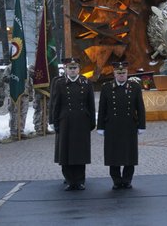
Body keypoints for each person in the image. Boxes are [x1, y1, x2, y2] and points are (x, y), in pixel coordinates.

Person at [97, 61, 146, 190]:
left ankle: (127, 179)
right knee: (113, 154)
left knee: (129, 154)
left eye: (123, 73)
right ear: (114, 73)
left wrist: (141, 125)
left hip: (129, 125)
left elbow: (140, 108)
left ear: (127, 73)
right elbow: (102, 108)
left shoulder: (134, 87)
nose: (121, 75)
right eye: (118, 73)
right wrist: (100, 126)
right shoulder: (107, 87)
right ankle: (116, 180)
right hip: (112, 125)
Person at [51, 58, 96, 191]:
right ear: (66, 69)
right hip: (65, 121)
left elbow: (91, 105)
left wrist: (92, 122)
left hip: (82, 121)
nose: (72, 70)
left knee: (80, 152)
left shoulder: (86, 83)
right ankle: (70, 180)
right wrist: (55, 121)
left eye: (75, 68)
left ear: (79, 69)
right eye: (70, 68)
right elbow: (55, 104)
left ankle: (80, 180)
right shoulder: (60, 84)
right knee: (66, 151)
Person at [3, 64, 33, 141]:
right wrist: (14, 77)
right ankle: (13, 132)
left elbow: (29, 81)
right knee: (14, 113)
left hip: (25, 93)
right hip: (14, 94)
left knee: (23, 113)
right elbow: (4, 78)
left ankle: (21, 131)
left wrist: (31, 93)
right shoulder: (10, 67)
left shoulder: (24, 67)